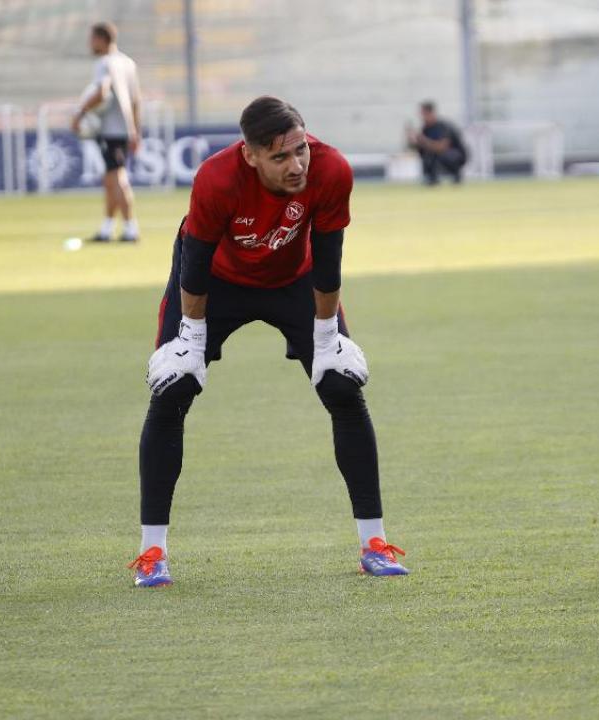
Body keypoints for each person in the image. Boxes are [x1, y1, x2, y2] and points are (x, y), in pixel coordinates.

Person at [128, 96, 409, 587]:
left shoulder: (332, 170)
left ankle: (375, 544)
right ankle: (152, 553)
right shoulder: (217, 179)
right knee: (172, 390)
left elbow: (328, 257)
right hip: (215, 281)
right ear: (250, 154)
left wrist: (326, 337)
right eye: (280, 157)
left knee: (342, 387)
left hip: (294, 279)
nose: (296, 164)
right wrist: (191, 339)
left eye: (300, 149)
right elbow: (193, 262)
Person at [71, 22, 141, 243]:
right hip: (124, 129)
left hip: (111, 129)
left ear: (102, 39)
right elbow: (136, 100)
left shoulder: (104, 63)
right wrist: (135, 131)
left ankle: (131, 228)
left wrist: (80, 112)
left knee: (117, 177)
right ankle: (106, 229)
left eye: (92, 38)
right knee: (110, 179)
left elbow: (101, 92)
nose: (90, 43)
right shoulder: (128, 63)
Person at [406, 100, 467, 185]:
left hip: (456, 155)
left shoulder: (443, 126)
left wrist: (422, 140)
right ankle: (432, 178)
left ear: (430, 113)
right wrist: (413, 141)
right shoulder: (426, 128)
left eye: (423, 114)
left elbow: (442, 147)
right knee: (425, 152)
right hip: (438, 156)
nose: (421, 117)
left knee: (439, 154)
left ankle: (456, 175)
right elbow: (418, 148)